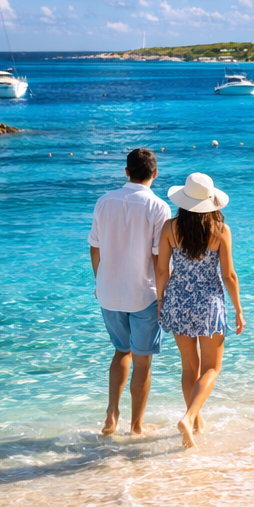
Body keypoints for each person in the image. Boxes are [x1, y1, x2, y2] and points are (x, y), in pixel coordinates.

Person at [156, 172, 245, 449]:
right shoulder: (220, 231)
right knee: (211, 369)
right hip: (209, 305)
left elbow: (161, 270)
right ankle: (190, 417)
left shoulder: (170, 228)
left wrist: (162, 301)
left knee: (189, 367)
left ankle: (194, 422)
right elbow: (228, 275)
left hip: (178, 301)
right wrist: (239, 309)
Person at [89, 147, 171, 436]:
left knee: (120, 350)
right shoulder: (159, 207)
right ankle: (136, 426)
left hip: (109, 293)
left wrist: (99, 282)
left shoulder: (103, 201)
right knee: (142, 359)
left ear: (126, 172)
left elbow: (95, 247)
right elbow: (159, 260)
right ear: (155, 174)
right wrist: (163, 297)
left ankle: (111, 415)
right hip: (143, 294)